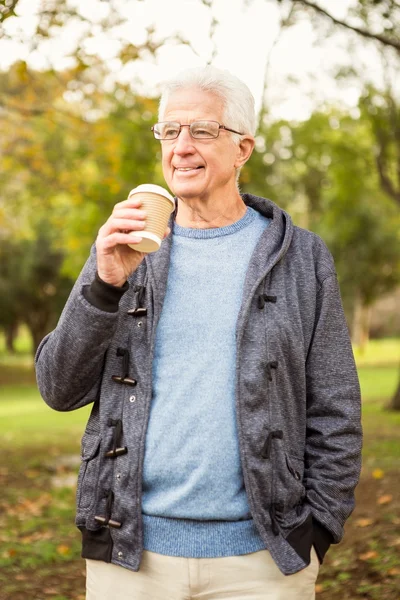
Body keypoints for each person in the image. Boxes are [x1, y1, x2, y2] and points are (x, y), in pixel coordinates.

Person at [35, 65, 362, 600]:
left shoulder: (301, 256)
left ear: (243, 149)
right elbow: (57, 388)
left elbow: (335, 405)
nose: (181, 147)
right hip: (130, 559)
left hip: (262, 562)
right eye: (169, 131)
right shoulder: (123, 248)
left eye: (202, 131)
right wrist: (104, 284)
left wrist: (317, 530)